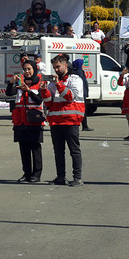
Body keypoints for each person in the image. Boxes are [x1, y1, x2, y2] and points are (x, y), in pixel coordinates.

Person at [40, 55, 85, 187]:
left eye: (58, 67)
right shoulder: (53, 83)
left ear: (65, 65)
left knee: (74, 150)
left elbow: (70, 96)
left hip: (71, 121)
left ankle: (77, 178)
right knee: (58, 152)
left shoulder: (75, 79)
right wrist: (44, 91)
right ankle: (60, 177)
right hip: (56, 121)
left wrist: (58, 84)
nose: (56, 70)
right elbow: (48, 103)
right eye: (54, 67)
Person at [6, 59, 45, 182]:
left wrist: (28, 91)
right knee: (24, 148)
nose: (27, 72)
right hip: (21, 121)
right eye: (25, 69)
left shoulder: (39, 83)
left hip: (34, 120)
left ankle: (36, 174)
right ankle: (26, 173)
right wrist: (11, 82)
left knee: (35, 148)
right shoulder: (20, 83)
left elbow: (39, 100)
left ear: (34, 69)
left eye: (29, 69)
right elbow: (9, 93)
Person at [71, 58, 93, 131]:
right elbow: (82, 84)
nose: (83, 66)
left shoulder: (75, 71)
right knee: (83, 110)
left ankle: (84, 125)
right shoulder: (79, 72)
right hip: (81, 94)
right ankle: (84, 126)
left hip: (80, 93)